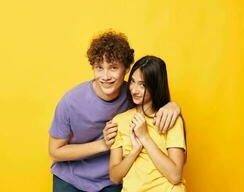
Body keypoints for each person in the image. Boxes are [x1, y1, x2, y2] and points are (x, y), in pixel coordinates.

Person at [48, 31, 181, 192]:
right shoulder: (70, 102)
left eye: (113, 68)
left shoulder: (133, 93)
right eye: (99, 68)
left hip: (111, 181)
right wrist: (103, 144)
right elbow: (55, 151)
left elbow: (153, 97)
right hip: (71, 178)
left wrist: (172, 106)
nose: (105, 76)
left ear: (126, 69)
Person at [109, 56, 186, 192]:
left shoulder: (170, 119)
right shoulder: (119, 121)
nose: (134, 89)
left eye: (143, 85)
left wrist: (144, 137)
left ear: (156, 86)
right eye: (132, 81)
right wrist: (134, 151)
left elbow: (175, 176)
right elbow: (114, 177)